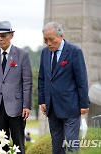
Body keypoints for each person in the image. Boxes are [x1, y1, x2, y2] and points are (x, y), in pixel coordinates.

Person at [38, 22, 89, 154]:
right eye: (45, 40)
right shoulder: (44, 53)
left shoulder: (74, 51)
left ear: (61, 36)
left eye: (51, 39)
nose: (48, 43)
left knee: (72, 144)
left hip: (71, 107)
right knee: (57, 145)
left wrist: (84, 103)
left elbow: (81, 79)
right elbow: (42, 78)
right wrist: (42, 100)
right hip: (52, 107)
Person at [0, 21, 32, 153]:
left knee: (18, 145)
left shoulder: (23, 55)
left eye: (3, 35)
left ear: (11, 35)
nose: (0, 39)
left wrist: (26, 105)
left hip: (17, 107)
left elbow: (27, 82)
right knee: (0, 146)